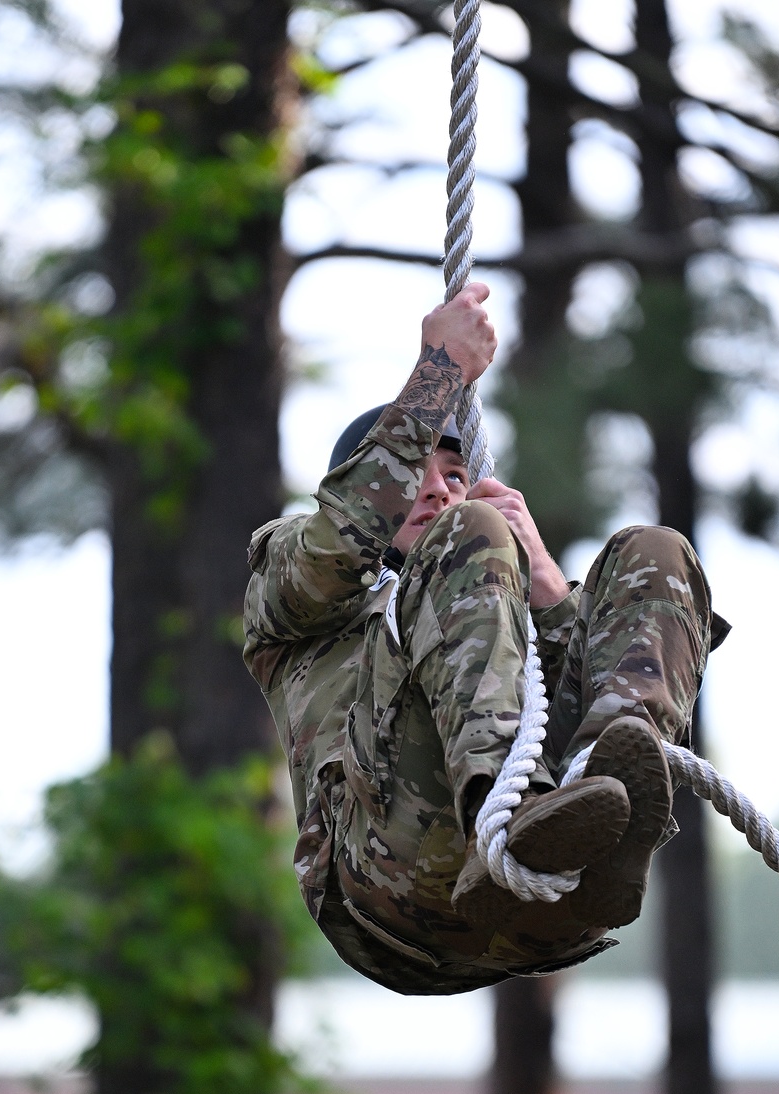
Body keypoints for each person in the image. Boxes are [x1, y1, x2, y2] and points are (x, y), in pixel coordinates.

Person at [243, 284, 727, 995]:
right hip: (388, 889)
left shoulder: (490, 585)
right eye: (418, 474)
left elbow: (551, 680)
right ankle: (509, 820)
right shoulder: (290, 580)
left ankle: (606, 809)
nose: (440, 489)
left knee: (656, 550)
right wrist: (438, 370)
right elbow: (336, 548)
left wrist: (547, 590)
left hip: (548, 908)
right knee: (470, 536)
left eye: (457, 474)